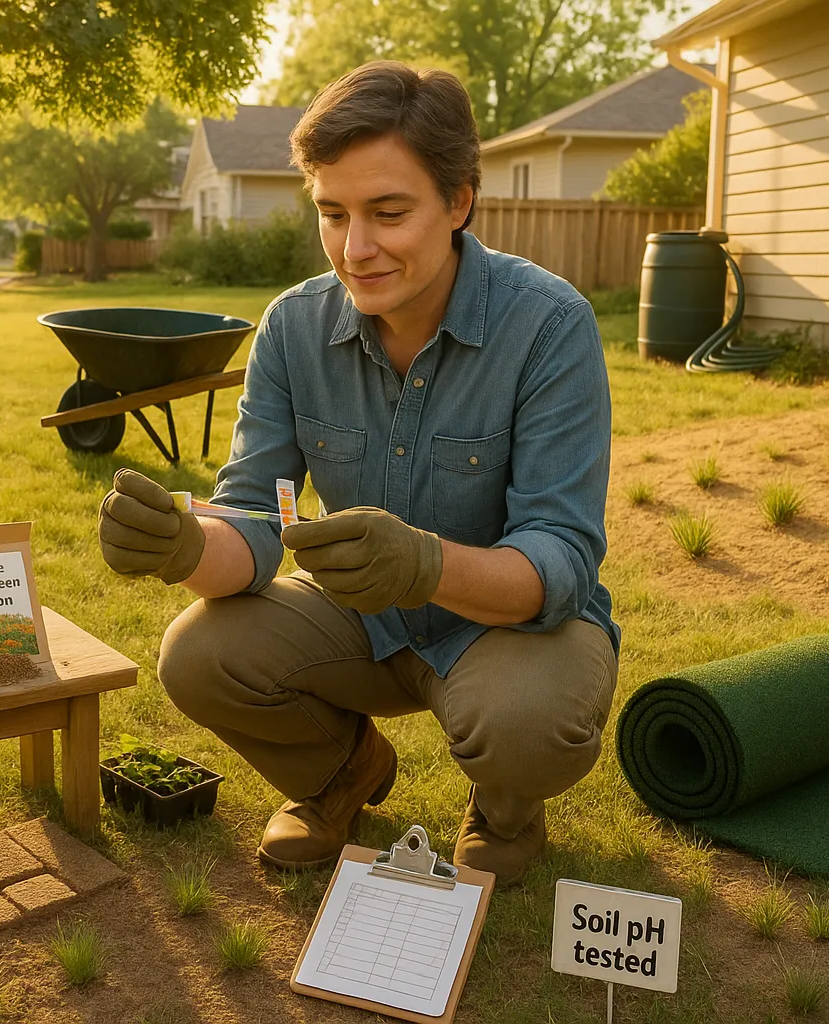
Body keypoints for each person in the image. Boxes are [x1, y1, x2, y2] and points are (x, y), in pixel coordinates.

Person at [95, 61, 618, 885]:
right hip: (360, 624)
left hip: (507, 630)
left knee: (527, 722)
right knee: (196, 653)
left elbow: (561, 559)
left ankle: (505, 807)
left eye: (388, 212)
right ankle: (341, 775)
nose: (355, 248)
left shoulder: (550, 326)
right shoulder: (293, 329)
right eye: (332, 214)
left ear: (459, 201)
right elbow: (257, 523)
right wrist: (182, 545)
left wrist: (425, 563)